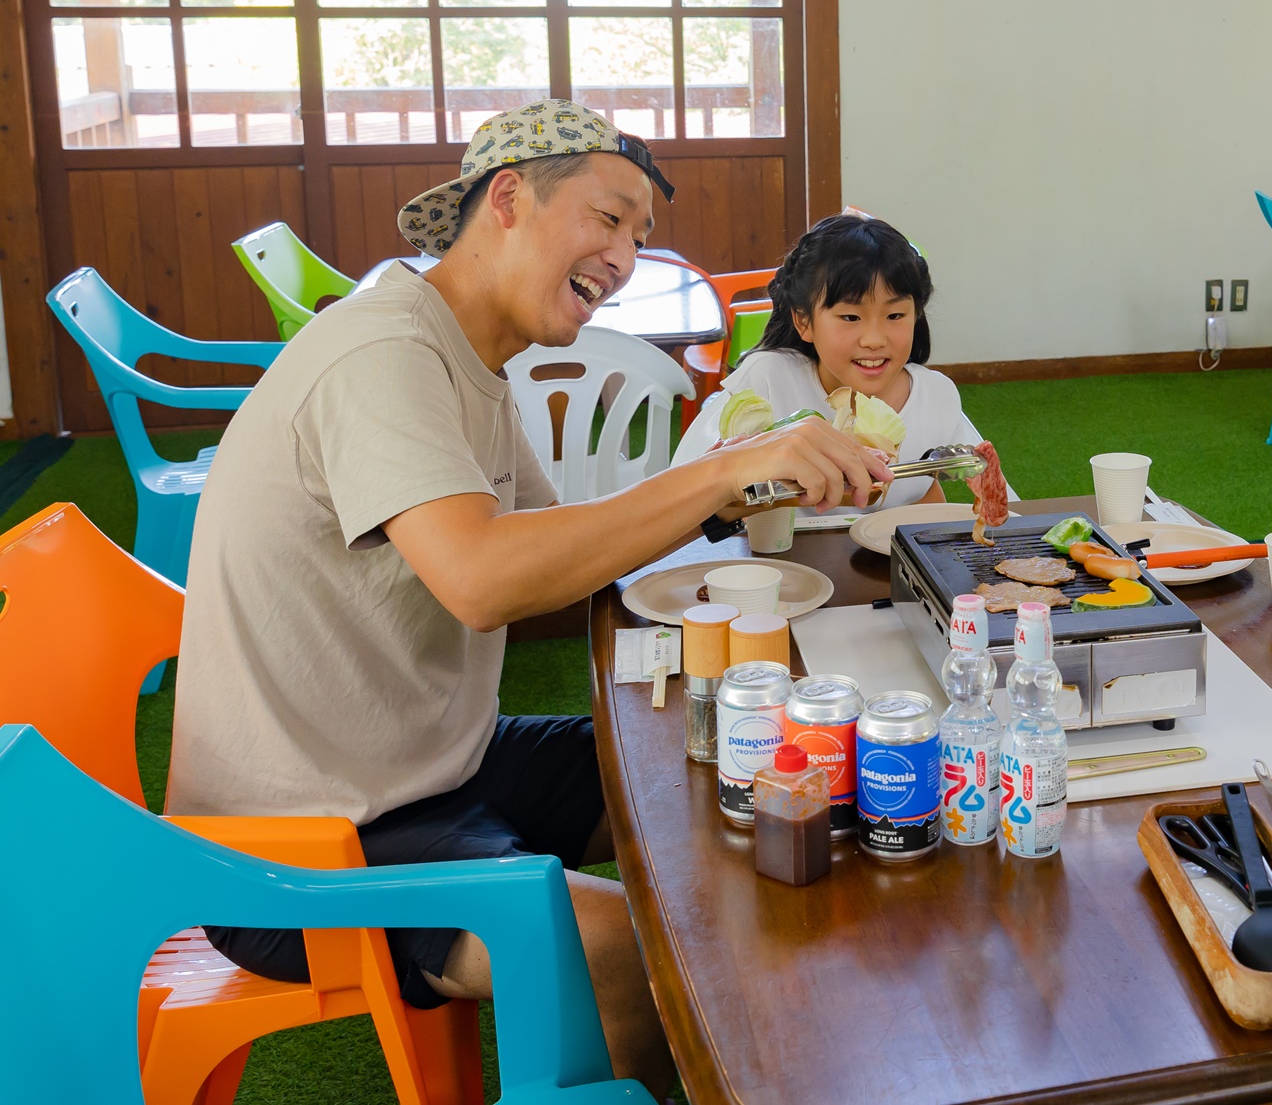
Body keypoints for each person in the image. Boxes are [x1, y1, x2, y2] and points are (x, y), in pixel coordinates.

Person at [167, 99, 889, 1098]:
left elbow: (560, 569)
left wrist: (735, 488)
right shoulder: (383, 352)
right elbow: (484, 580)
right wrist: (724, 472)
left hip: (424, 767)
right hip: (292, 848)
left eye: (639, 234)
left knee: (711, 763)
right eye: (607, 218)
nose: (625, 256)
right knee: (621, 947)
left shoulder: (469, 363)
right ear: (506, 198)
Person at [672, 213, 988, 510]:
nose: (874, 339)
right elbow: (684, 482)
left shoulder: (936, 394)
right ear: (804, 321)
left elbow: (930, 490)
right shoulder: (768, 380)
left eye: (895, 315)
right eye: (850, 317)